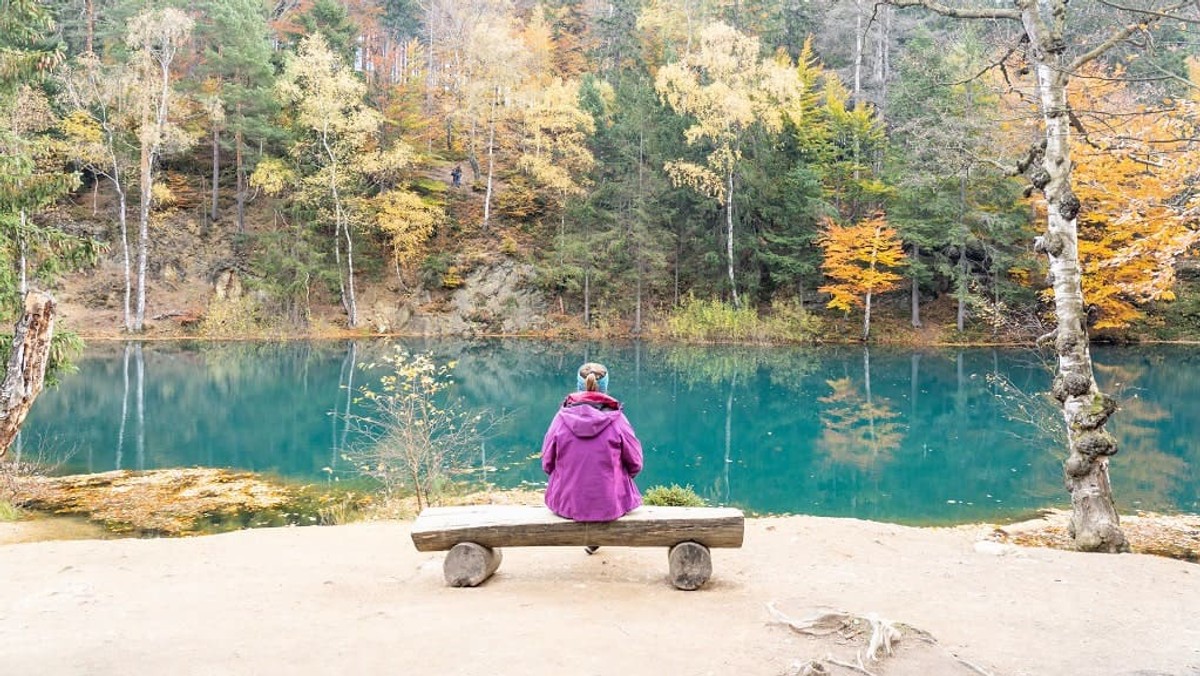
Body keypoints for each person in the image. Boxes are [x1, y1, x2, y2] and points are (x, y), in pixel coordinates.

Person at [541, 362, 643, 553]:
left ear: (579, 385)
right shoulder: (618, 419)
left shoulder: (560, 418)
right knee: (615, 486)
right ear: (605, 387)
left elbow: (547, 462)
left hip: (567, 502)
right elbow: (636, 463)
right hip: (610, 503)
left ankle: (592, 531)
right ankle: (597, 529)